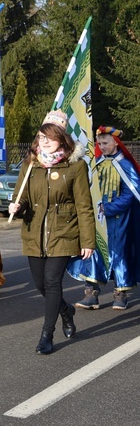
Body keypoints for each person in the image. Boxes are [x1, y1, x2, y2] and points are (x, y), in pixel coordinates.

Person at [9, 110, 95, 355]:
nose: (43, 141)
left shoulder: (75, 166)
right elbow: (21, 196)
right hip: (34, 233)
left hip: (64, 233)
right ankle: (66, 310)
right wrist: (18, 205)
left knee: (52, 281)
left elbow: (84, 206)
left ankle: (47, 334)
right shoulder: (30, 164)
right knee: (40, 284)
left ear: (61, 139)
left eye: (49, 137)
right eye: (40, 137)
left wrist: (87, 240)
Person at [74, 126, 140, 310]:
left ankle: (120, 293)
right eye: (99, 143)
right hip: (96, 218)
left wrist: (109, 208)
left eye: (105, 143)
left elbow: (131, 193)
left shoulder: (125, 165)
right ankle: (91, 292)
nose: (101, 146)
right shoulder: (94, 163)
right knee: (93, 250)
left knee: (119, 253)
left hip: (119, 219)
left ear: (115, 143)